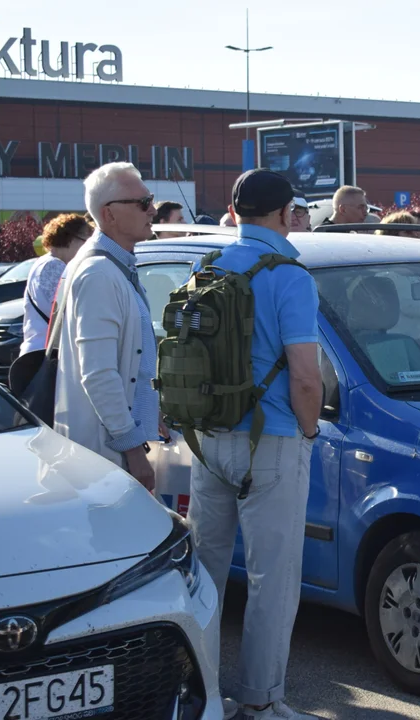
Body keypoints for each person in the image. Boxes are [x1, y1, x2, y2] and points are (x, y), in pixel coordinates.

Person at [186, 169, 323, 720]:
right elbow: (306, 376)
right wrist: (310, 430)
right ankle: (261, 702)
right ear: (287, 211)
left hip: (208, 434)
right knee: (274, 578)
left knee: (205, 575)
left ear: (234, 208)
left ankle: (202, 693)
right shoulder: (289, 275)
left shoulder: (208, 264)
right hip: (272, 440)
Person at [53, 162, 164, 489]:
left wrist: (150, 407)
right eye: (143, 202)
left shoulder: (114, 266)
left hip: (110, 452)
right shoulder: (99, 274)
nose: (153, 210)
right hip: (104, 460)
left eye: (151, 200)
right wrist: (133, 451)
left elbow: (129, 358)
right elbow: (99, 373)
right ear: (109, 214)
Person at [21, 213, 91, 355]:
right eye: (85, 240)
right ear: (71, 239)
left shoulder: (45, 263)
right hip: (45, 353)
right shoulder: (53, 266)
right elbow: (64, 312)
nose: (87, 247)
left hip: (42, 350)